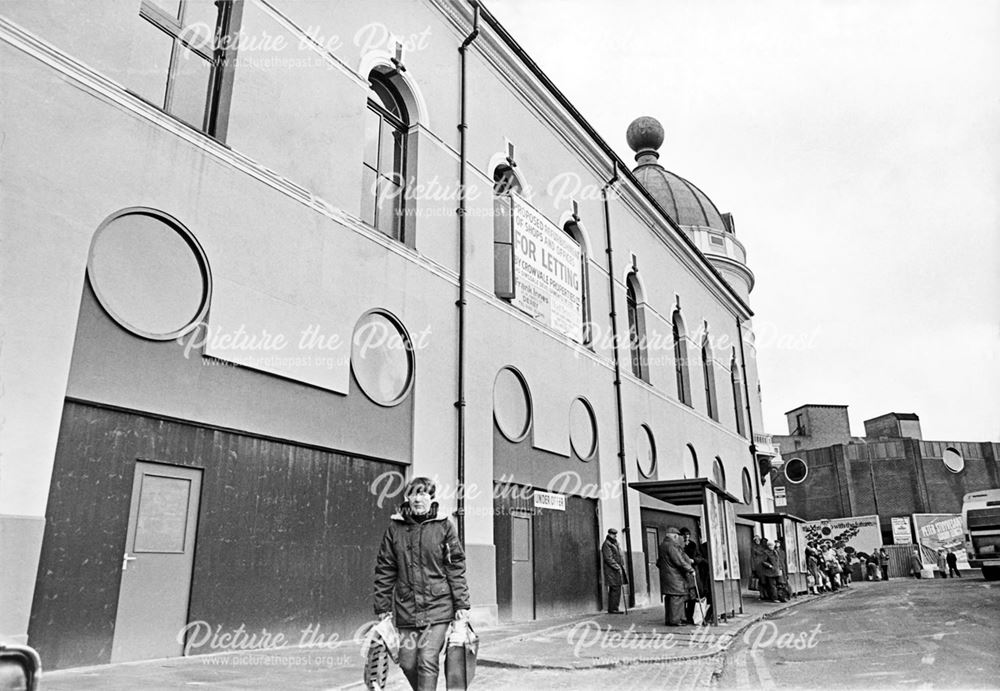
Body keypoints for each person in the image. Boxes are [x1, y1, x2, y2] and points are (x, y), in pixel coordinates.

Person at [373, 477, 470, 691]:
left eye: (424, 494)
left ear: (432, 498)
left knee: (427, 658)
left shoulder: (444, 526)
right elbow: (385, 568)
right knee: (407, 661)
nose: (418, 499)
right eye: (414, 494)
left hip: (438, 605)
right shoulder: (394, 528)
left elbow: (455, 567)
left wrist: (462, 604)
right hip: (407, 606)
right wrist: (382, 606)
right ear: (407, 497)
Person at [656, 526, 695, 625]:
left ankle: (669, 620)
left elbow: (658, 563)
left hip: (666, 576)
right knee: (676, 598)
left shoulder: (663, 545)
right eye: (677, 536)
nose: (678, 538)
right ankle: (675, 620)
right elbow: (679, 561)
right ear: (674, 536)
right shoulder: (671, 546)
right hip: (675, 576)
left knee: (669, 598)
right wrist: (690, 569)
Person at [679, 527, 711, 624]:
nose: (687, 539)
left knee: (692, 596)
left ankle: (689, 617)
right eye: (685, 537)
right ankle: (683, 617)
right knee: (684, 597)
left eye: (688, 536)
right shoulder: (678, 546)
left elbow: (699, 557)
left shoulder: (693, 545)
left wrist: (694, 560)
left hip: (692, 572)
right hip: (683, 574)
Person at [602, 528, 628, 613]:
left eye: (615, 534)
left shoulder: (615, 543)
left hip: (616, 569)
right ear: (609, 534)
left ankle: (614, 608)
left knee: (617, 588)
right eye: (613, 534)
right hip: (612, 570)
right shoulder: (607, 544)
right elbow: (608, 558)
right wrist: (617, 566)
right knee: (615, 588)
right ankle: (613, 609)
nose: (615, 536)